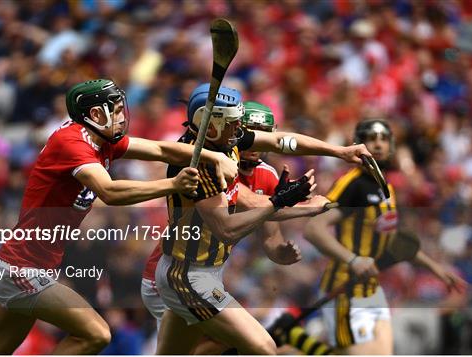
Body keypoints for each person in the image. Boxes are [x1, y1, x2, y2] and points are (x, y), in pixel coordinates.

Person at [0, 79, 239, 354]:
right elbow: (110, 191)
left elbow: (161, 150)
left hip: (21, 265)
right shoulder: (73, 142)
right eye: (114, 110)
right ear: (94, 115)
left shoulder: (101, 141)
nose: (122, 116)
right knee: (96, 334)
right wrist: (172, 185)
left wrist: (213, 157)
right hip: (23, 269)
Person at [154, 83, 373, 355]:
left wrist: (339, 152)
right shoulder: (199, 164)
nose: (240, 130)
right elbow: (226, 229)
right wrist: (280, 202)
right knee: (265, 348)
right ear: (210, 126)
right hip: (187, 275)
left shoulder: (223, 140)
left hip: (199, 271)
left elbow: (281, 140)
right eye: (234, 123)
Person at [273, 119, 467, 355]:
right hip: (344, 288)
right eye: (370, 139)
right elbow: (314, 230)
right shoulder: (351, 185)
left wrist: (436, 268)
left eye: (383, 139)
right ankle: (298, 344)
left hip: (372, 290)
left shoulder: (387, 188)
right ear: (358, 145)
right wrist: (353, 260)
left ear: (392, 147)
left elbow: (391, 241)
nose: (377, 144)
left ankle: (299, 342)